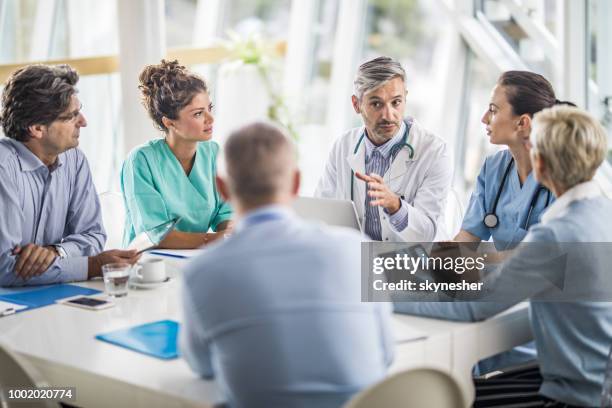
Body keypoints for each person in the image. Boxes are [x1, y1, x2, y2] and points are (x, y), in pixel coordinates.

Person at [395, 106, 612, 407]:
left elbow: (477, 307)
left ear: (540, 162)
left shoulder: (556, 234)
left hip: (575, 397)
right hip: (596, 381)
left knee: (451, 398)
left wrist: (382, 292)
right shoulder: (603, 212)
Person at [180, 122, 394, 408]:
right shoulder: (357, 248)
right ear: (295, 183)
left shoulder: (201, 272)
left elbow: (202, 366)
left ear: (222, 189)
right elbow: (386, 355)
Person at [454, 71, 576, 373]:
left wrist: (481, 266)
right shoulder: (494, 168)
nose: (484, 118)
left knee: (466, 361)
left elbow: (549, 261)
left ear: (523, 123)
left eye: (494, 110)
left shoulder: (559, 177)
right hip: (501, 297)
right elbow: (466, 240)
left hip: (542, 319)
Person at [0, 64, 139, 287]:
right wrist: (92, 265)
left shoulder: (74, 160)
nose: (83, 121)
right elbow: (5, 268)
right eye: (71, 116)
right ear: (36, 128)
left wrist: (57, 252)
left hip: (50, 296)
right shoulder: (3, 168)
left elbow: (93, 235)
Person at [315, 56, 452, 242]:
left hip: (411, 265)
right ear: (357, 104)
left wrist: (395, 206)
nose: (388, 115)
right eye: (376, 104)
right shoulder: (343, 146)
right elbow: (321, 211)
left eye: (396, 102)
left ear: (405, 98)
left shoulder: (434, 152)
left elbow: (428, 233)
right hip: (356, 260)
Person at [121, 60, 232, 249]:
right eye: (198, 114)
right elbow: (155, 236)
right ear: (169, 123)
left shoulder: (213, 153)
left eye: (209, 109)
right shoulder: (141, 161)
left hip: (196, 258)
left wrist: (230, 234)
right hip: (148, 266)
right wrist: (213, 240)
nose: (210, 119)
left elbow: (226, 213)